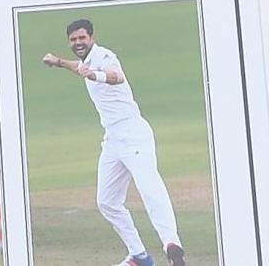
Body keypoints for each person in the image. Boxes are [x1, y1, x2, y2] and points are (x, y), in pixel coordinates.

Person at [42, 19, 186, 266]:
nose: (78, 43)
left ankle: (172, 246)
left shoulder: (106, 56)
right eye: (73, 40)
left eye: (82, 38)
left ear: (92, 37)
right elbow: (80, 67)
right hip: (112, 140)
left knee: (149, 186)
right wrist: (58, 62)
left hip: (133, 133)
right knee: (107, 201)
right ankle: (139, 256)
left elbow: (116, 77)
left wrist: (95, 75)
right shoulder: (86, 60)